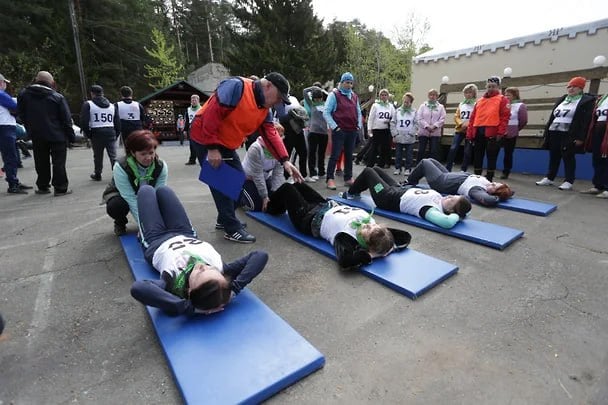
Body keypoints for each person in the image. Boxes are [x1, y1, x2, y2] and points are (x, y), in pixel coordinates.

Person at [189, 72, 303, 244]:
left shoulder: (264, 109)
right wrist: (211, 148)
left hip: (226, 143)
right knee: (221, 183)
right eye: (279, 97)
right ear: (268, 86)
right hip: (205, 137)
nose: (279, 102)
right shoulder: (237, 87)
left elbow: (270, 133)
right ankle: (231, 228)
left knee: (238, 179)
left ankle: (224, 219)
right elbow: (211, 114)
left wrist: (284, 160)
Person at [130, 185, 267, 316]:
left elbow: (139, 288)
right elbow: (260, 255)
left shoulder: (172, 281)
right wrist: (234, 290)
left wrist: (188, 308)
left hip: (156, 240)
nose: (202, 266)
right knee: (163, 191)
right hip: (184, 232)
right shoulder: (221, 269)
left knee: (145, 191)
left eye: (198, 274)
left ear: (189, 291)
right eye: (209, 270)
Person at [266, 182, 411, 269]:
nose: (369, 225)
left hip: (307, 217)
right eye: (373, 226)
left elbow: (345, 261)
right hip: (324, 205)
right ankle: (278, 202)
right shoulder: (377, 232)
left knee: (287, 188)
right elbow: (405, 236)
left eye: (367, 230)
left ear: (364, 242)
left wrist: (371, 255)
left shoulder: (345, 237)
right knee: (297, 184)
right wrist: (389, 249)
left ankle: (269, 207)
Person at [343, 167, 471, 229]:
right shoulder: (440, 199)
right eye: (454, 196)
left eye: (452, 200)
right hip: (398, 189)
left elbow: (447, 223)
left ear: (450, 211)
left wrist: (458, 216)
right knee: (376, 169)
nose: (449, 196)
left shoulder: (431, 209)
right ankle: (359, 188)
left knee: (368, 172)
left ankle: (351, 194)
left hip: (386, 198)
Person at [17, 71, 75, 196]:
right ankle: (60, 188)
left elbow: (20, 114)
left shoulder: (24, 95)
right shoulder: (57, 97)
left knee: (41, 161)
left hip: (37, 134)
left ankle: (43, 186)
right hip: (57, 134)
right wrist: (71, 136)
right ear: (52, 83)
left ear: (35, 80)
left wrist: (29, 128)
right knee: (58, 162)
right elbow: (66, 119)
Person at [102, 130, 168, 235]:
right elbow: (130, 198)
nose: (148, 158)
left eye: (151, 153)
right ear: (132, 152)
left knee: (165, 195)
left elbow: (157, 195)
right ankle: (120, 222)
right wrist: (145, 226)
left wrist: (157, 223)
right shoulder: (120, 167)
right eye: (143, 154)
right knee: (116, 205)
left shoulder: (161, 166)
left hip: (147, 194)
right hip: (123, 195)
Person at [536, 76, 595, 190]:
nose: (571, 89)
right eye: (569, 86)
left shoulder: (585, 101)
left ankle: (569, 180)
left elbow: (585, 121)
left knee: (568, 156)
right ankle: (550, 177)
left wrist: (580, 137)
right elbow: (553, 116)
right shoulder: (563, 99)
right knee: (554, 155)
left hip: (569, 133)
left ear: (581, 88)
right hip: (555, 131)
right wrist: (547, 132)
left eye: (575, 87)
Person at [406, 158, 514, 206]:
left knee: (425, 162)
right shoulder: (487, 184)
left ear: (492, 193)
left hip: (442, 182)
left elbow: (489, 200)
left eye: (494, 186)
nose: (492, 183)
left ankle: (409, 181)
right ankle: (412, 180)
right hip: (447, 175)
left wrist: (499, 197)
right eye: (495, 182)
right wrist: (508, 192)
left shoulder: (477, 190)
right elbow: (510, 192)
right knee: (430, 160)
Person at [466, 76, 511, 182]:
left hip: (493, 132)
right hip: (478, 132)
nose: (490, 88)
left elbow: (505, 117)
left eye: (493, 86)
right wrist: (470, 133)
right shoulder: (480, 101)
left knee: (491, 156)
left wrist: (500, 132)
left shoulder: (502, 100)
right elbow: (473, 118)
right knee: (477, 156)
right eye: (489, 86)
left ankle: (489, 178)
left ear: (498, 87)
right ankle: (476, 178)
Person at [323, 72, 363, 190]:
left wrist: (359, 126)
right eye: (347, 82)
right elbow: (326, 112)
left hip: (352, 130)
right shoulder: (334, 95)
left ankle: (348, 178)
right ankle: (330, 178)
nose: (349, 85)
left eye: (351, 83)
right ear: (342, 82)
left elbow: (358, 112)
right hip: (339, 130)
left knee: (349, 155)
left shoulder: (354, 96)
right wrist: (335, 127)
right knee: (335, 155)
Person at [80, 85, 120, 181]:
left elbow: (84, 121)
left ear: (92, 93)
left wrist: (88, 134)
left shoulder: (88, 104)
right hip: (110, 131)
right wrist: (116, 133)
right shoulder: (112, 106)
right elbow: (117, 122)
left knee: (98, 155)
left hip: (96, 131)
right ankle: (118, 175)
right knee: (113, 156)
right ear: (103, 93)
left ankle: (98, 173)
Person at [0, 73, 32, 194]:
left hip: (4, 126)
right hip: (5, 127)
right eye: (4, 83)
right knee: (11, 156)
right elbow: (16, 107)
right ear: (1, 83)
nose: (5, 85)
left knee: (9, 155)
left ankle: (14, 181)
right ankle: (13, 184)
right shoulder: (1, 94)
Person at [240, 135, 285, 211]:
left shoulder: (280, 149)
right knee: (255, 206)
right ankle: (236, 191)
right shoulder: (255, 148)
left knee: (273, 202)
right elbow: (258, 174)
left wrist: (275, 192)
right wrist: (264, 196)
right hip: (248, 178)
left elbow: (278, 174)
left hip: (265, 177)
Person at [445, 84, 477, 172]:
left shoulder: (476, 105)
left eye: (470, 92)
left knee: (467, 151)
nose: (468, 94)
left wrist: (468, 124)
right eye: (466, 93)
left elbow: (476, 117)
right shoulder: (461, 104)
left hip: (470, 131)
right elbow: (456, 116)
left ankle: (463, 169)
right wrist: (461, 123)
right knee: (453, 148)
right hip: (460, 129)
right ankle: (448, 168)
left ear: (474, 93)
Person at [581, 92, 608, 198]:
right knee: (597, 157)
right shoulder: (604, 97)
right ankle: (598, 185)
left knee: (606, 158)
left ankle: (607, 187)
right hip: (599, 127)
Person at [501, 87, 528, 179]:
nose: (506, 96)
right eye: (505, 94)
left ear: (515, 95)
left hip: (511, 132)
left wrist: (515, 129)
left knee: (508, 153)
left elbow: (523, 120)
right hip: (500, 132)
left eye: (508, 95)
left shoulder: (520, 105)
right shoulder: (503, 104)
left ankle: (506, 171)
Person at [303, 85, 328, 181]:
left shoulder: (326, 104)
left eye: (319, 98)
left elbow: (330, 96)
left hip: (324, 133)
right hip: (313, 132)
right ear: (313, 98)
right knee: (312, 153)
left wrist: (322, 90)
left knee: (322, 154)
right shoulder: (312, 104)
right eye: (316, 98)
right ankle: (313, 173)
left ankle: (322, 172)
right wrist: (313, 87)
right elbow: (305, 91)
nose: (317, 100)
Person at [366, 88, 396, 169]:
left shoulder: (391, 106)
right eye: (382, 95)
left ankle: (381, 164)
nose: (384, 96)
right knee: (374, 148)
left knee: (385, 148)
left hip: (386, 130)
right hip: (376, 129)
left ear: (388, 96)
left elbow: (394, 118)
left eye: (385, 95)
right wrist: (369, 129)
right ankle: (370, 164)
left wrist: (389, 121)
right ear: (379, 96)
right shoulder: (375, 105)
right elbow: (371, 118)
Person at [280, 104, 310, 181]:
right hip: (288, 137)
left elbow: (305, 124)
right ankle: (285, 176)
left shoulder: (300, 122)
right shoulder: (285, 119)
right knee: (287, 156)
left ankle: (304, 175)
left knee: (303, 153)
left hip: (299, 134)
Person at [415, 89, 446, 162]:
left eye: (434, 95)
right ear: (428, 96)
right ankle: (419, 167)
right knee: (421, 150)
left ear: (437, 96)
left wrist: (434, 126)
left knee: (434, 151)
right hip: (423, 131)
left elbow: (442, 118)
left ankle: (433, 168)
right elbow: (419, 118)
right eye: (431, 95)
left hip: (435, 132)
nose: (432, 96)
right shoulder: (423, 106)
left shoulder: (440, 107)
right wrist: (427, 126)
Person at [393, 92, 417, 176]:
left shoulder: (414, 111)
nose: (406, 103)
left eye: (408, 101)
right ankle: (398, 167)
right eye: (405, 101)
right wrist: (395, 134)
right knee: (398, 154)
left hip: (409, 137)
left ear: (411, 102)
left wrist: (411, 133)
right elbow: (393, 123)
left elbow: (416, 123)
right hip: (399, 135)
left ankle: (408, 168)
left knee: (409, 154)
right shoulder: (398, 111)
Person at [184, 94, 201, 165]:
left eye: (195, 99)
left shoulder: (202, 109)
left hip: (200, 129)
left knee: (200, 145)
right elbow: (187, 121)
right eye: (192, 99)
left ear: (198, 100)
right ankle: (192, 160)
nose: (193, 101)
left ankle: (202, 159)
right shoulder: (188, 110)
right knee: (192, 145)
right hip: (191, 129)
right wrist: (185, 130)